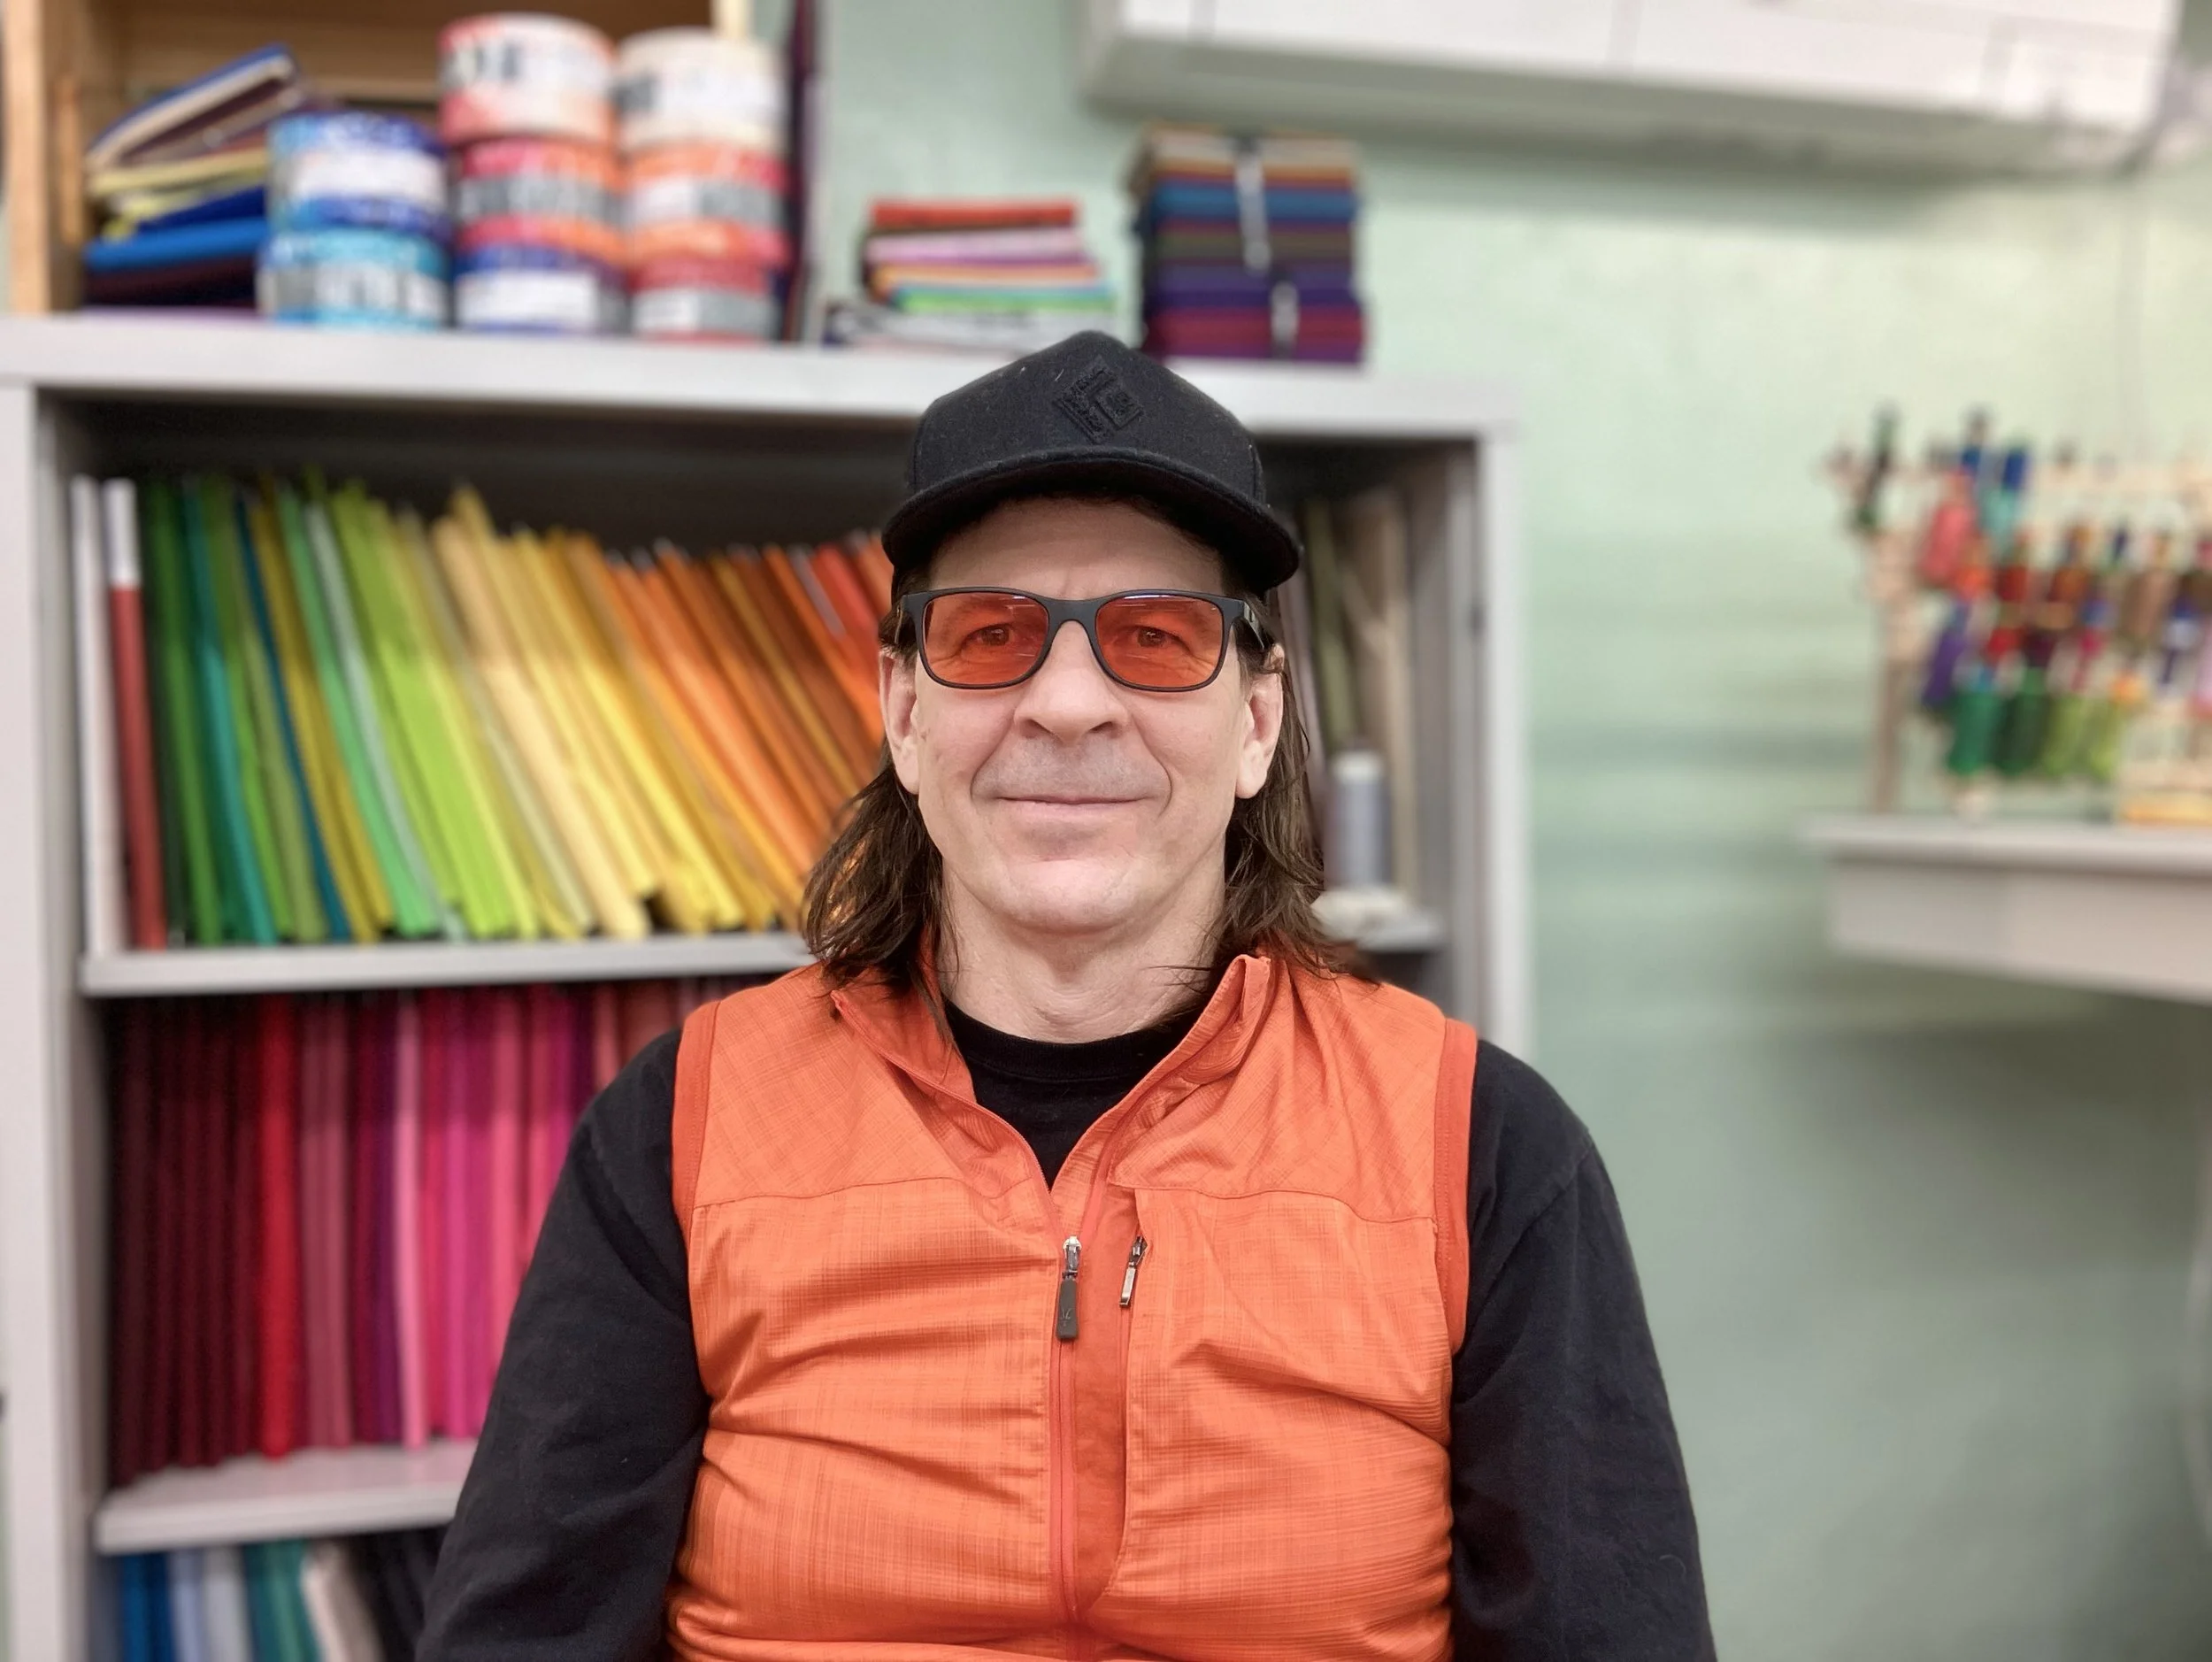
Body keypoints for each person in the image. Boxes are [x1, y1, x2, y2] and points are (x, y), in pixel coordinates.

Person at [419, 334, 1713, 1660]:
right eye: (993, 635)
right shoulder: (680, 1129)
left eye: (1157, 637)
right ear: (903, 712)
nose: (1071, 702)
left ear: (1260, 720)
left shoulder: (1486, 1151)